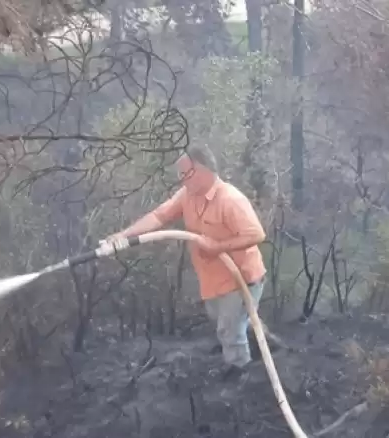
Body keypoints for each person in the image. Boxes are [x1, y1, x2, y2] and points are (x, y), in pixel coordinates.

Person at [102, 144, 267, 381]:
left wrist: (217, 247)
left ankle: (241, 379)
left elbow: (256, 235)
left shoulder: (231, 200)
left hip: (240, 278)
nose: (181, 180)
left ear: (200, 170)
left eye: (184, 174)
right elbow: (160, 216)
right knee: (229, 321)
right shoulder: (187, 196)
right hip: (213, 281)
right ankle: (261, 341)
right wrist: (123, 236)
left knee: (228, 329)